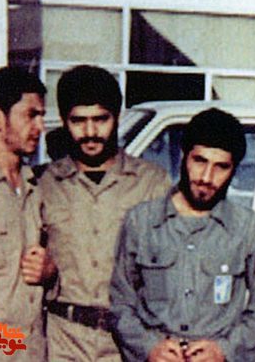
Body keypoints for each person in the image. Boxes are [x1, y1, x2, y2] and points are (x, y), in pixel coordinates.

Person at [110, 108, 255, 362]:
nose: (206, 177)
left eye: (221, 167)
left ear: (234, 169)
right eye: (200, 161)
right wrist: (148, 347)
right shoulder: (141, 222)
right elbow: (120, 302)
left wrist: (225, 350)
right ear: (184, 156)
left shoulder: (247, 227)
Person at [39, 65, 170, 361]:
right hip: (63, 342)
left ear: (117, 116)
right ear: (64, 121)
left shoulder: (152, 183)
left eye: (100, 119)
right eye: (78, 121)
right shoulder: (44, 184)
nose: (90, 132)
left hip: (127, 345)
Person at [0, 67, 54, 361]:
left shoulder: (37, 186)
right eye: (31, 115)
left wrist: (49, 271)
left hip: (29, 351)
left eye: (42, 116)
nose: (40, 126)